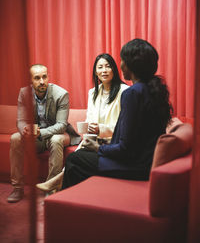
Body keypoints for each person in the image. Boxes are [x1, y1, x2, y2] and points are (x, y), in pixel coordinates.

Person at [60, 38, 173, 189]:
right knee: (79, 158)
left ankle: (70, 206)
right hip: (147, 161)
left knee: (74, 159)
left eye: (122, 60)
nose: (121, 65)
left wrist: (97, 148)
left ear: (131, 64)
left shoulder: (132, 93)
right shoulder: (153, 89)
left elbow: (124, 149)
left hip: (135, 166)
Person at [36, 53, 129, 192]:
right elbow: (90, 119)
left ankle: (56, 184)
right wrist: (88, 129)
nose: (104, 70)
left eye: (108, 67)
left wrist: (100, 129)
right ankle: (61, 190)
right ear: (95, 72)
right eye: (100, 67)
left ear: (114, 70)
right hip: (94, 140)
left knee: (74, 160)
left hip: (112, 142)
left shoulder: (125, 91)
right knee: (74, 157)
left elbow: (124, 127)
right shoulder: (93, 93)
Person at [7, 64, 81, 203]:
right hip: (36, 137)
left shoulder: (61, 94)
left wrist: (40, 133)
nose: (42, 81)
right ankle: (17, 188)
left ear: (48, 77)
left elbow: (61, 125)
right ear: (30, 81)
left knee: (56, 140)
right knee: (15, 138)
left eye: (44, 77)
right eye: (37, 78)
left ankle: (51, 188)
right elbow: (21, 121)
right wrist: (26, 131)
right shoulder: (24, 93)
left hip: (57, 134)